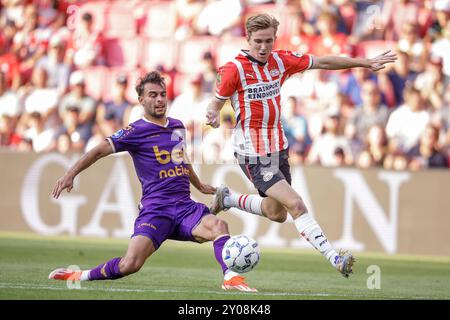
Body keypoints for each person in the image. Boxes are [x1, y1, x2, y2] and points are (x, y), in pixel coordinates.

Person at [206, 14, 397, 278]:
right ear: (247, 39)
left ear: (275, 39)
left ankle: (227, 198)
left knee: (277, 213)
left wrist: (363, 62)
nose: (263, 47)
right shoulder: (233, 70)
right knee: (296, 204)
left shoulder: (280, 61)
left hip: (278, 147)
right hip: (252, 151)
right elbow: (215, 102)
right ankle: (335, 258)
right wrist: (213, 113)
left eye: (269, 41)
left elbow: (322, 62)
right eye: (258, 41)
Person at [49, 71, 257, 292]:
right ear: (141, 100)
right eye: (152, 95)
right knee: (130, 265)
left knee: (219, 226)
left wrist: (199, 185)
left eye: (162, 94)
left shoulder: (177, 126)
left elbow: (181, 158)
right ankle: (80, 275)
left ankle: (231, 277)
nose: (159, 99)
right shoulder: (135, 131)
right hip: (156, 210)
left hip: (184, 207)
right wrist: (70, 174)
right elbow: (99, 151)